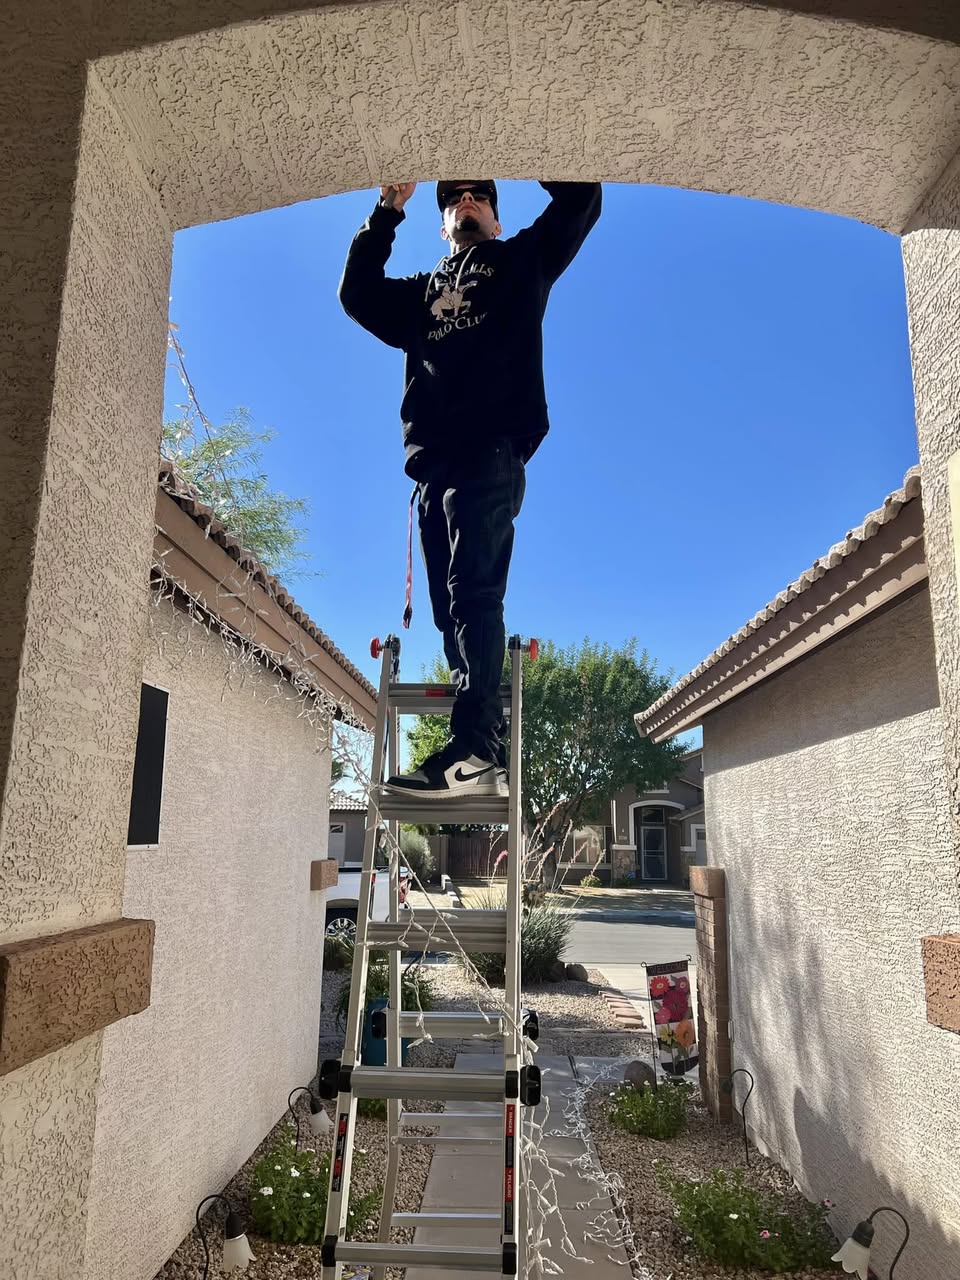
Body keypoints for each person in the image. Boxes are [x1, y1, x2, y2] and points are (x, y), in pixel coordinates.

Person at [339, 178, 601, 797]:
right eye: (453, 198)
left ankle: (476, 748)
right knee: (446, 609)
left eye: (480, 195)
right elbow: (356, 293)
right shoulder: (419, 295)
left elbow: (582, 199)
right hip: (434, 470)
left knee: (473, 594)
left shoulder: (521, 263)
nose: (466, 201)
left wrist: (523, 150)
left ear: (497, 218)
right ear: (440, 225)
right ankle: (474, 748)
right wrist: (386, 212)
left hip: (490, 453)